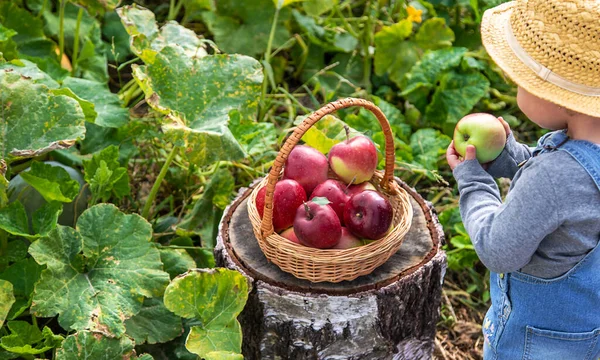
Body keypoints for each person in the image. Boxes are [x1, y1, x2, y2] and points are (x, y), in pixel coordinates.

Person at [445, 0, 600, 359]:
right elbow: (572, 198)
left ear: (562, 100)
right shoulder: (575, 161)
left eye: (521, 81)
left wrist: (473, 182)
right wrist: (512, 158)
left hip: (534, 346)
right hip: (586, 334)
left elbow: (497, 249)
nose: (516, 88)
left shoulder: (553, 178)